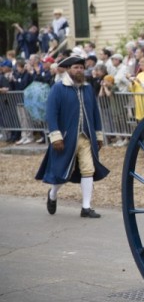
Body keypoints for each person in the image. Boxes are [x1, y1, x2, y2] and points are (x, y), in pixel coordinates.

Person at [35, 55, 109, 218]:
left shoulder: (88, 88)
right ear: (68, 69)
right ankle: (52, 194)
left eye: (81, 67)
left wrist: (98, 135)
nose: (79, 70)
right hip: (66, 138)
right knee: (62, 172)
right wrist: (55, 136)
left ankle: (86, 207)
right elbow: (51, 114)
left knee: (88, 169)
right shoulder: (58, 88)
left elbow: (95, 112)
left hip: (86, 137)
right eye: (76, 67)